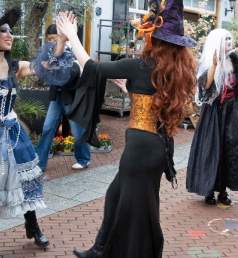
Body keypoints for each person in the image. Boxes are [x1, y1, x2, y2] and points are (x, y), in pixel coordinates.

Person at [56, 0, 197, 257]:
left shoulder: (140, 66)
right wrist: (129, 89)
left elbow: (92, 69)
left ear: (154, 37)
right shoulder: (173, 70)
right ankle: (100, 249)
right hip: (156, 148)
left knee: (140, 212)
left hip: (140, 150)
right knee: (115, 195)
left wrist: (73, 36)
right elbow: (153, 98)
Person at [0, 7, 74, 255]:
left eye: (10, 31)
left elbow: (45, 66)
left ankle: (32, 225)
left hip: (13, 134)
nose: (9, 35)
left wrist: (62, 40)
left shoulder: (15, 68)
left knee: (26, 180)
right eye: (3, 31)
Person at [186, 28, 238, 205]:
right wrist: (214, 65)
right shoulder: (209, 61)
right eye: (225, 39)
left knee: (230, 149)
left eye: (230, 38)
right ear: (217, 41)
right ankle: (208, 190)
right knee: (212, 148)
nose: (229, 41)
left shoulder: (235, 58)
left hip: (233, 111)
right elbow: (207, 85)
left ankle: (223, 191)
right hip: (214, 112)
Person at [35, 24, 91, 171]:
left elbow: (74, 73)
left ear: (61, 36)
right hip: (57, 95)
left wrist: (52, 68)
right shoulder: (53, 52)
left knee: (76, 128)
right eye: (50, 39)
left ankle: (84, 158)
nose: (52, 41)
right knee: (48, 127)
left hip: (71, 96)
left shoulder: (73, 49)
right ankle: (40, 162)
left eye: (53, 38)